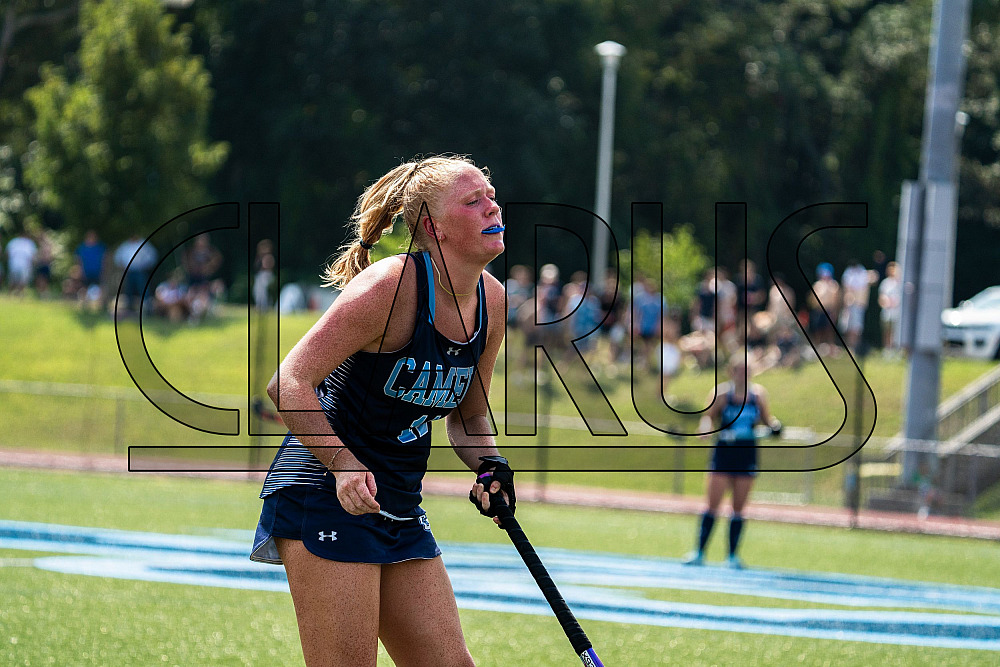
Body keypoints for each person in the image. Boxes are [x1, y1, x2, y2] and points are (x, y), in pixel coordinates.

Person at [251, 155, 510, 667]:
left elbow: (470, 417)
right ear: (433, 226)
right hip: (325, 493)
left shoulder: (493, 302)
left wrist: (491, 465)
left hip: (398, 501)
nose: (492, 206)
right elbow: (288, 383)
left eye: (491, 194)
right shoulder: (389, 289)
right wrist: (343, 465)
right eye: (472, 200)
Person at [684, 355, 780, 568]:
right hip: (723, 454)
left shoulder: (758, 395)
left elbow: (767, 419)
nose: (743, 374)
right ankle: (699, 552)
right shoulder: (721, 394)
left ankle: (732, 556)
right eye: (740, 370)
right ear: (732, 371)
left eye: (747, 370)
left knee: (738, 507)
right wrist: (705, 428)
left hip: (746, 455)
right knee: (712, 504)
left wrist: (775, 426)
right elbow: (707, 416)